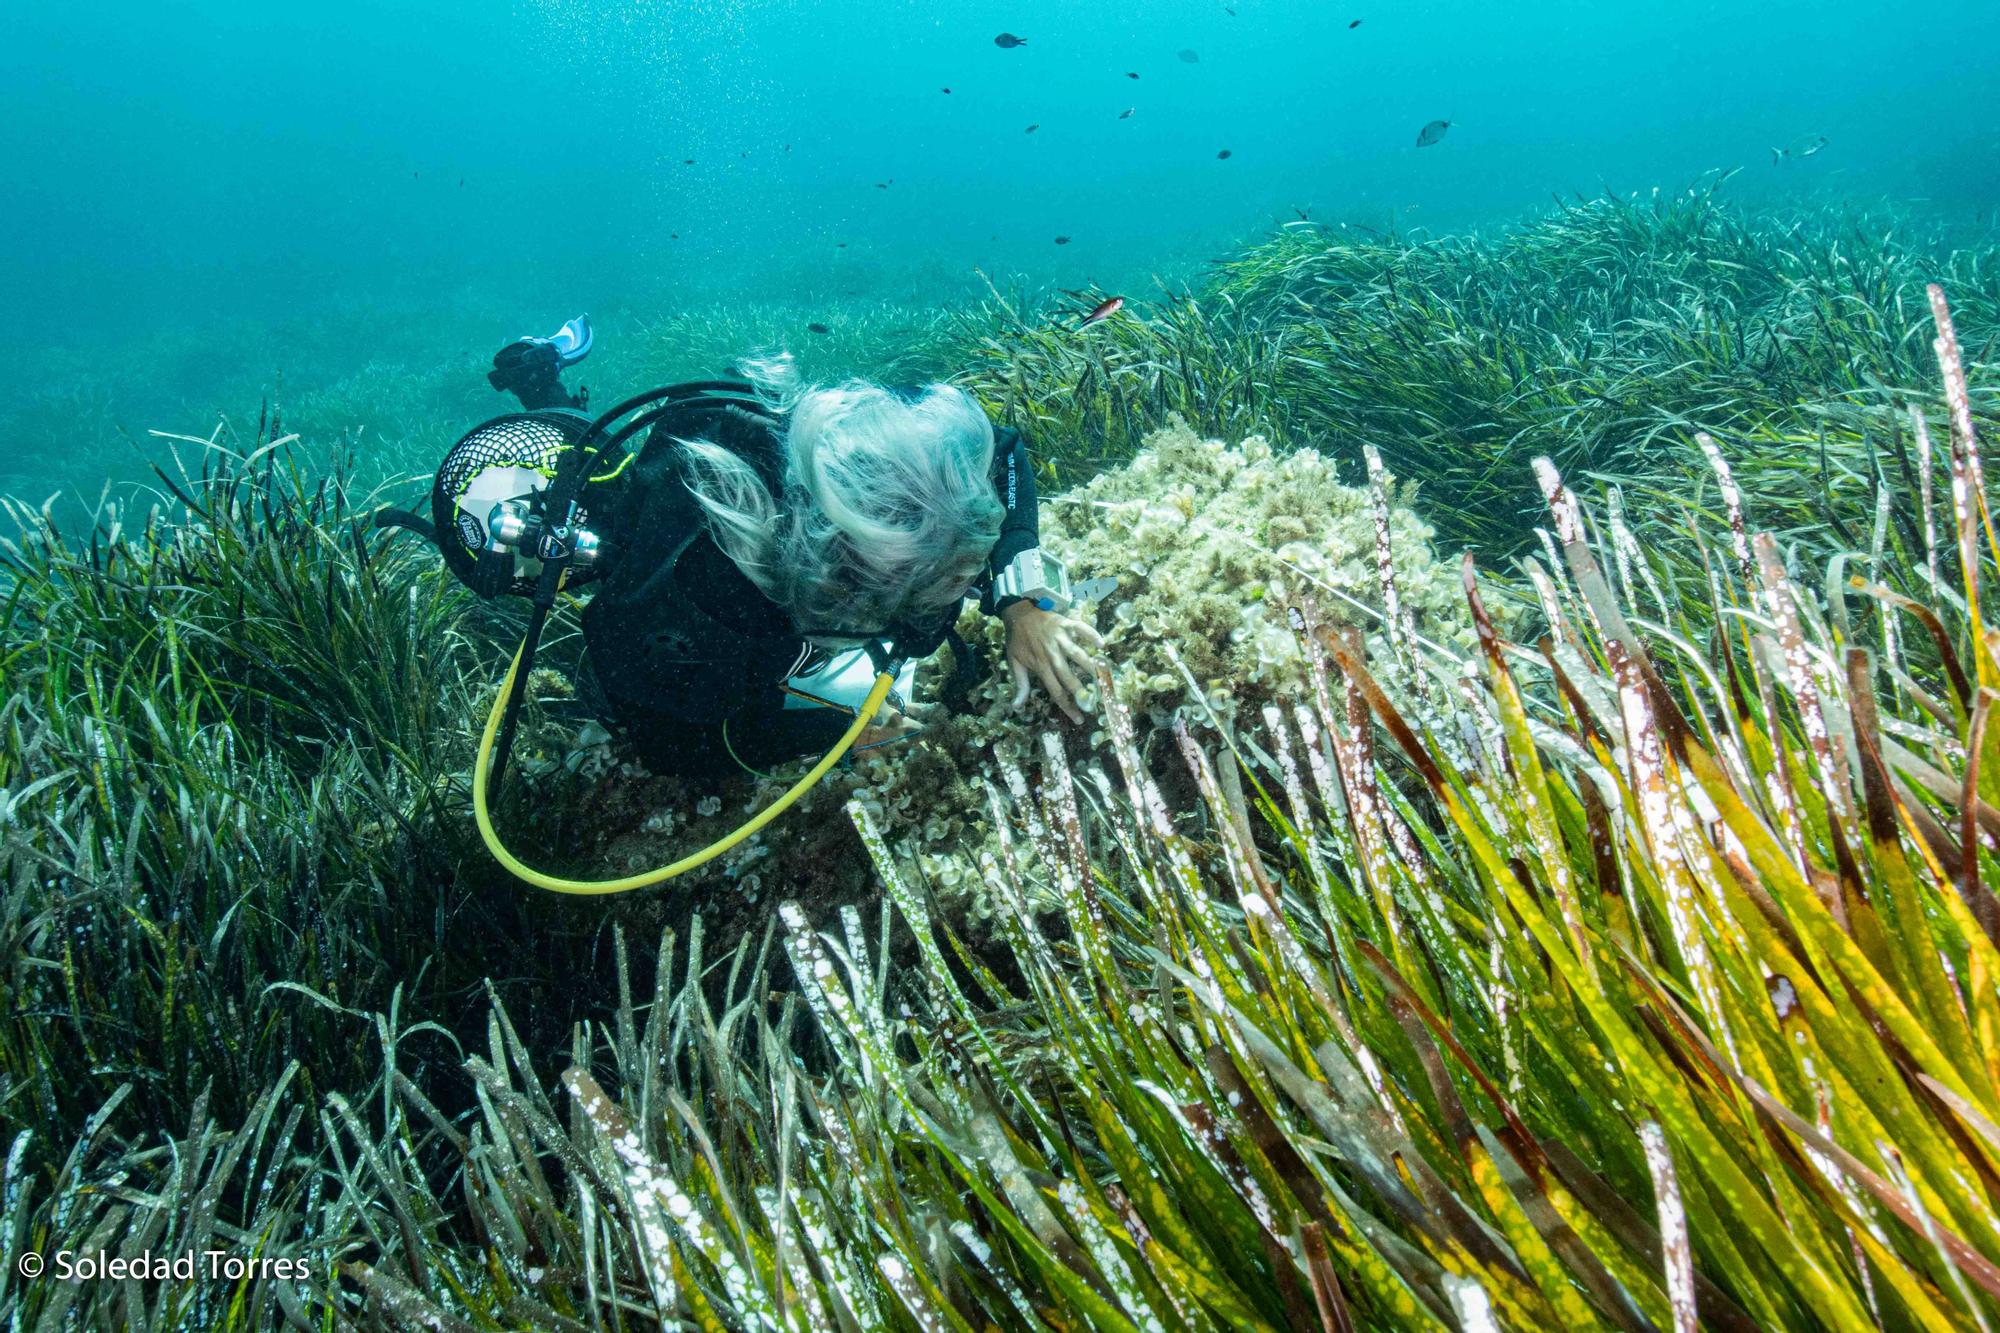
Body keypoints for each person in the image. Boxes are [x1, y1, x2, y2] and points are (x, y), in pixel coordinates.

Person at [486, 322, 1104, 777]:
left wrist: (1022, 596)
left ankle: (553, 396)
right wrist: (837, 731)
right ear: (845, 593)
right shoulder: (711, 602)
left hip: (751, 442)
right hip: (661, 533)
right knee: (601, 522)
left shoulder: (886, 457)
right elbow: (667, 745)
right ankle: (543, 394)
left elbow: (1001, 450)